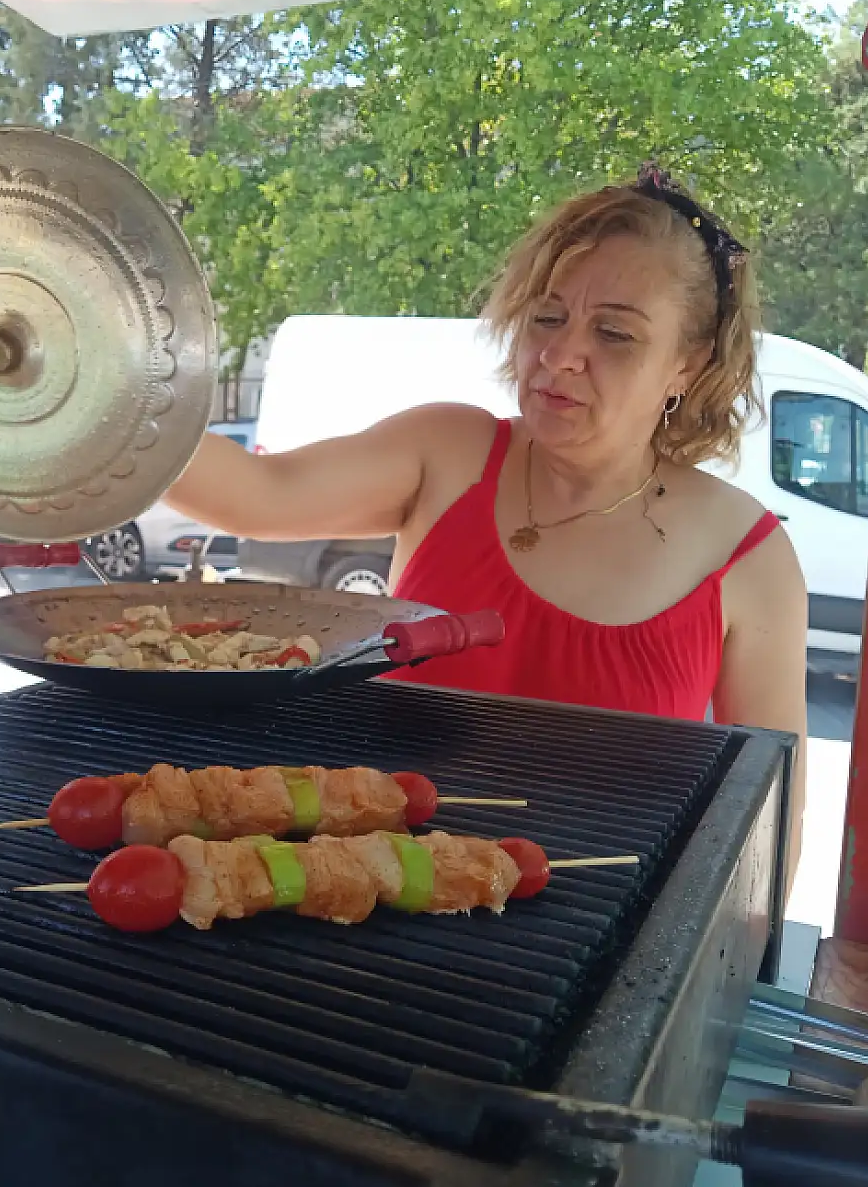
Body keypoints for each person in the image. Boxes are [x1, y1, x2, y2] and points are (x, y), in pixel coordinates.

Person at [166, 166, 807, 879]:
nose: (560, 356)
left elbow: (770, 837)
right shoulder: (449, 452)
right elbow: (257, 492)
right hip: (367, 900)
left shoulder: (749, 559)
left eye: (616, 334)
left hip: (601, 951)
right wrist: (85, 409)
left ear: (687, 366)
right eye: (548, 316)